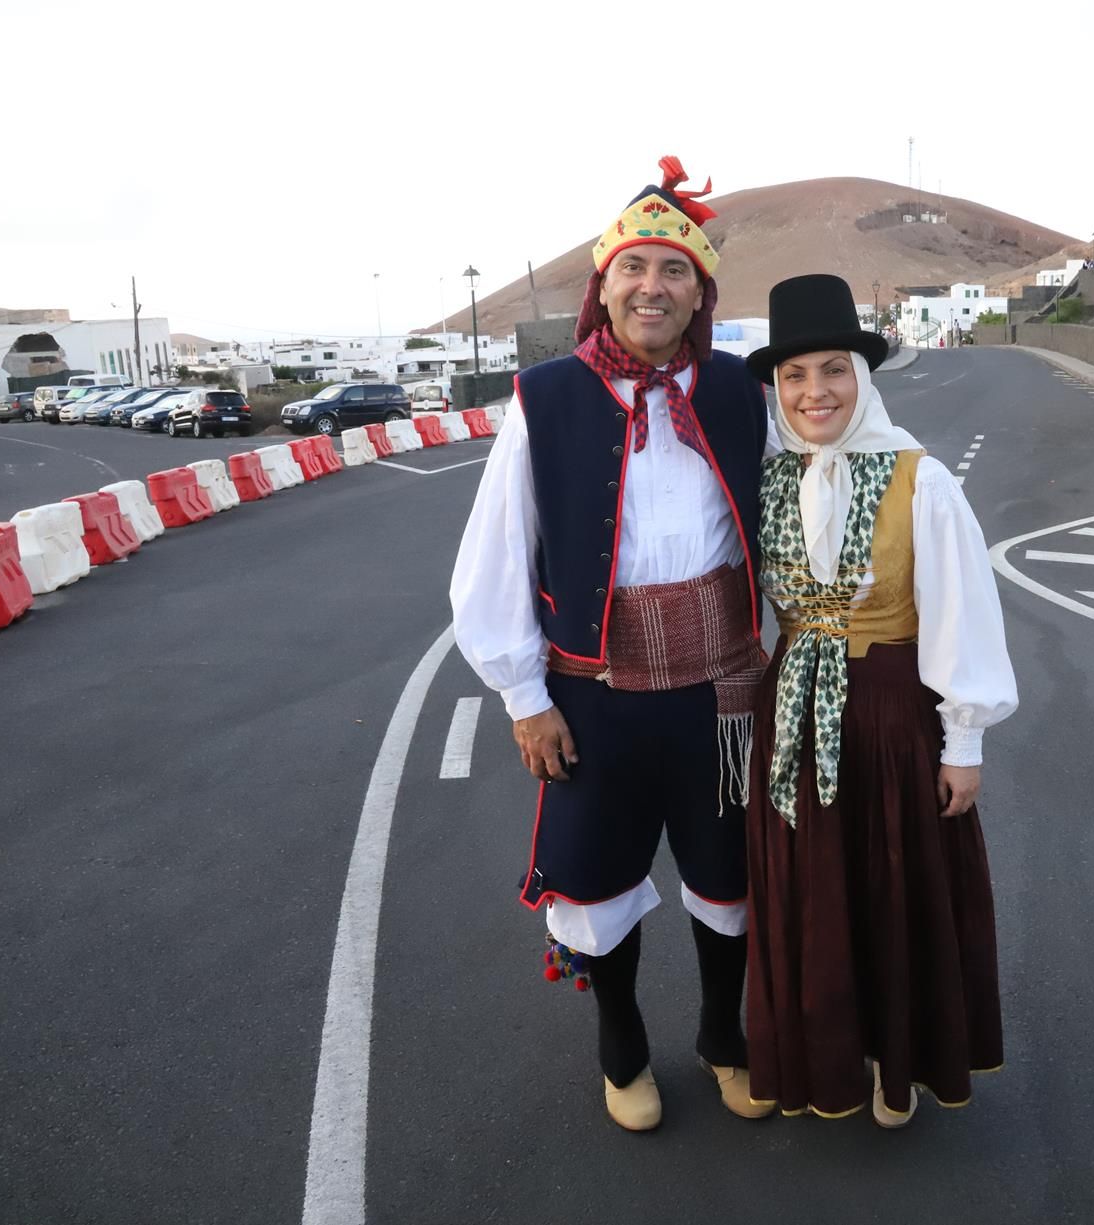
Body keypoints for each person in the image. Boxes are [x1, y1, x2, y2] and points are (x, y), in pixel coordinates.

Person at [450, 156, 775, 1132]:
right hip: (593, 694)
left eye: (675, 271)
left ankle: (724, 1036)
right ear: (604, 284)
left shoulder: (738, 390)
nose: (652, 287)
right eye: (634, 267)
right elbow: (496, 557)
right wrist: (524, 697)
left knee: (729, 877)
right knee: (596, 884)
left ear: (700, 293)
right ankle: (622, 1046)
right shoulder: (546, 398)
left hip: (722, 693)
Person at [739, 274, 1018, 1127]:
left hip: (892, 716)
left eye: (833, 369)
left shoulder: (918, 480)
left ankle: (897, 1064)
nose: (814, 391)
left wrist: (962, 741)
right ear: (776, 388)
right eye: (794, 375)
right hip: (791, 715)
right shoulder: (765, 479)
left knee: (891, 889)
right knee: (813, 896)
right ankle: (830, 1055)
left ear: (862, 377)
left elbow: (961, 610)